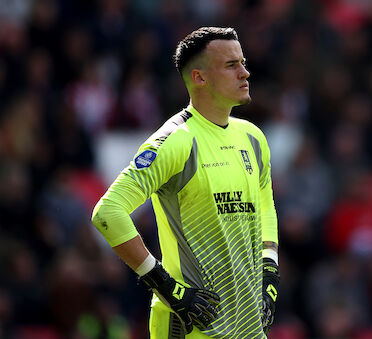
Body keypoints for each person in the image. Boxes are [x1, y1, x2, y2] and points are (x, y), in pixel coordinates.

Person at [91, 27, 279, 339]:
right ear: (200, 78)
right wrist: (166, 286)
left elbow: (265, 206)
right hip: (190, 325)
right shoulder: (175, 142)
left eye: (243, 62)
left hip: (247, 326)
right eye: (231, 65)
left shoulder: (253, 137)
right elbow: (107, 213)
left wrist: (269, 268)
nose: (245, 73)